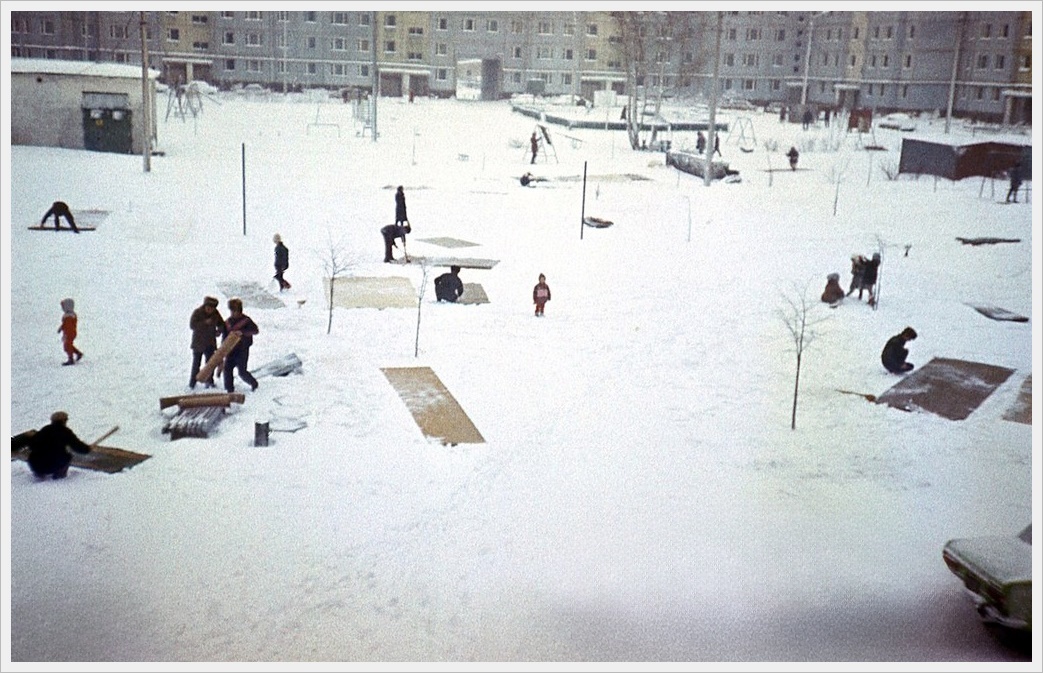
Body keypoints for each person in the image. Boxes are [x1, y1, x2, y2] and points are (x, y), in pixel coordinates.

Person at [26, 411, 91, 480]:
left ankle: (39, 474)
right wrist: (87, 449)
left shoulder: (45, 429)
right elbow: (78, 446)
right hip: (53, 465)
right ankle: (59, 475)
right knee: (67, 456)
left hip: (35, 465)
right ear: (64, 421)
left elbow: (32, 445)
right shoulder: (65, 432)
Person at [223, 297, 260, 393]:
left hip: (242, 350)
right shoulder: (228, 322)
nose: (233, 313)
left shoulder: (246, 321)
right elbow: (224, 336)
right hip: (231, 349)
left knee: (242, 372)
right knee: (227, 370)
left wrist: (242, 332)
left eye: (234, 311)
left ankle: (253, 383)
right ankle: (229, 389)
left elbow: (255, 330)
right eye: (231, 311)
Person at [189, 296, 225, 389]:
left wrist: (219, 331)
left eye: (212, 308)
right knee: (196, 364)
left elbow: (221, 324)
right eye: (208, 308)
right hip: (198, 343)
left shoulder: (216, 314)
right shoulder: (197, 312)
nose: (210, 310)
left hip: (210, 343)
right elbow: (192, 325)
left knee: (210, 364)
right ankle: (192, 382)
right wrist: (204, 323)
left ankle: (209, 381)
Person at [57, 297, 83, 366]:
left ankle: (71, 359)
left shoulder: (69, 316)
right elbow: (65, 324)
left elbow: (68, 326)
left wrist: (65, 333)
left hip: (69, 333)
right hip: (70, 333)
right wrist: (61, 328)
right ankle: (78, 353)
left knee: (67, 346)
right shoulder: (70, 315)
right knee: (68, 345)